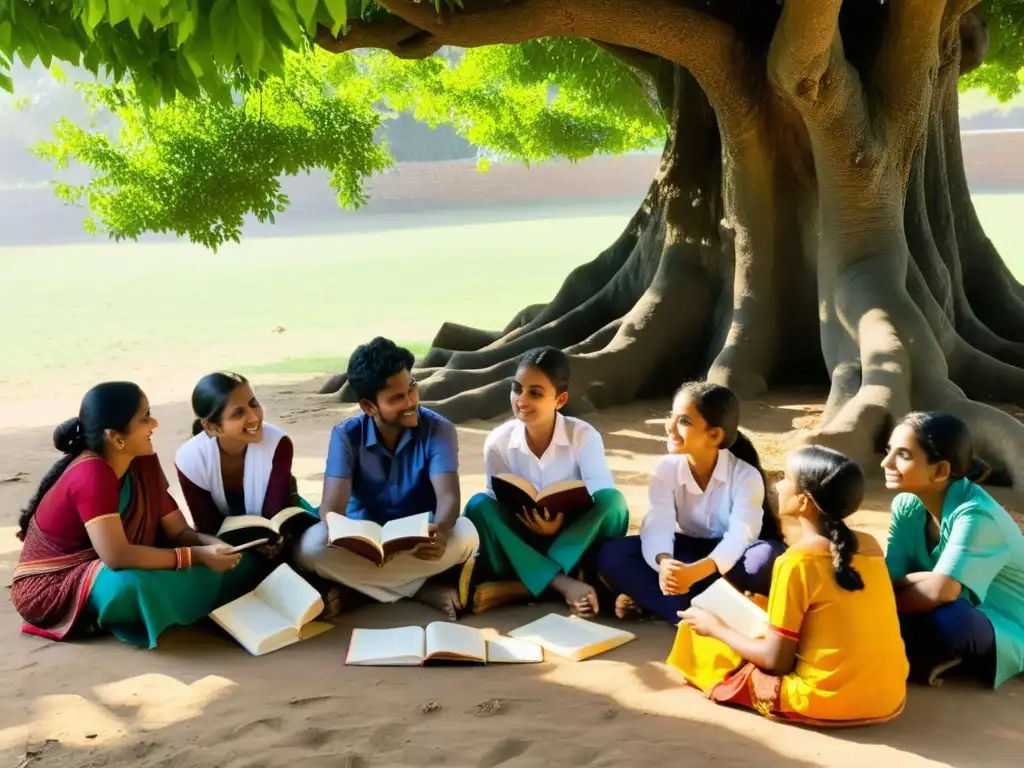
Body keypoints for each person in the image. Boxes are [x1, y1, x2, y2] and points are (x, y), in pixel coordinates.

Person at [669, 446, 908, 726]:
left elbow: (776, 662)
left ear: (803, 502)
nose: (777, 484)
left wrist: (715, 628)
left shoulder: (795, 561)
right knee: (761, 608)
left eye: (785, 478)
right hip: (889, 697)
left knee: (699, 638)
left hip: (825, 700)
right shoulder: (871, 546)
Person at [11, 382, 256, 648]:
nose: (155, 423)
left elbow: (178, 532)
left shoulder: (142, 462)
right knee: (135, 585)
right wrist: (195, 556)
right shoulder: (91, 473)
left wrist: (213, 546)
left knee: (241, 560)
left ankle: (186, 596)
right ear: (116, 437)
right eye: (145, 418)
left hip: (116, 564)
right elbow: (117, 556)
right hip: (55, 586)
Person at [295, 337, 479, 619]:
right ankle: (419, 589)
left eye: (412, 388)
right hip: (363, 548)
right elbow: (331, 510)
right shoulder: (346, 435)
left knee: (466, 535)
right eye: (397, 398)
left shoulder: (438, 429)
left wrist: (441, 531)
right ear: (369, 407)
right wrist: (343, 533)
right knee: (309, 547)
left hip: (419, 543)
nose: (411, 402)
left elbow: (449, 497)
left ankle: (358, 591)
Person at [598, 381, 785, 624]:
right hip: (684, 551)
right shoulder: (666, 469)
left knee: (765, 560)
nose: (670, 427)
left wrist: (698, 572)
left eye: (684, 421)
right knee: (613, 554)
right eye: (671, 416)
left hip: (732, 559)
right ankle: (696, 613)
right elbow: (659, 523)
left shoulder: (745, 476)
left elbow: (740, 536)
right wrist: (665, 563)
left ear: (714, 435)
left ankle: (676, 607)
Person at [462, 347, 629, 616]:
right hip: (520, 543)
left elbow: (601, 498)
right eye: (517, 389)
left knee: (614, 501)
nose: (522, 400)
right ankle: (561, 582)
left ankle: (522, 587)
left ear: (560, 400)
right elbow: (495, 504)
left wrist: (559, 523)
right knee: (478, 505)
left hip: (573, 541)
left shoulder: (583, 436)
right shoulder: (498, 441)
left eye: (535, 393)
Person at [883, 412, 1024, 688]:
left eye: (904, 455)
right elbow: (892, 574)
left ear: (940, 471)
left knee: (952, 620)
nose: (886, 463)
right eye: (889, 451)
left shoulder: (977, 515)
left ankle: (924, 654)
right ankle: (918, 650)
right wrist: (914, 581)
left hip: (1004, 622)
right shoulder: (906, 505)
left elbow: (941, 591)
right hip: (935, 603)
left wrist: (876, 608)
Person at [175, 372, 303, 537]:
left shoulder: (278, 444)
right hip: (224, 546)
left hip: (276, 538)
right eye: (238, 413)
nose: (254, 417)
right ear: (213, 428)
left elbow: (275, 513)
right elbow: (207, 525)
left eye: (253, 404)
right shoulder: (190, 459)